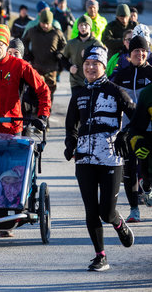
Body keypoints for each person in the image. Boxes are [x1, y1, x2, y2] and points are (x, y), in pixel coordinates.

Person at [64, 45, 136, 271]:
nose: (90, 67)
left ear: (104, 66)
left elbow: (137, 118)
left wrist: (126, 133)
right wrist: (71, 145)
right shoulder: (79, 95)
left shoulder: (116, 91)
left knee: (106, 211)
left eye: (95, 64)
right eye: (87, 64)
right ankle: (100, 255)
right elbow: (71, 125)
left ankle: (118, 222)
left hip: (110, 158)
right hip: (85, 158)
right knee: (90, 210)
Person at [112, 36, 152, 223]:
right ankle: (134, 209)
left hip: (148, 129)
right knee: (129, 169)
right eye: (136, 51)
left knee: (146, 168)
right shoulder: (121, 76)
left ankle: (148, 186)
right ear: (130, 54)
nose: (140, 54)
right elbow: (111, 101)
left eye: (143, 51)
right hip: (127, 130)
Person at [22, 9, 66, 104]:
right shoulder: (32, 31)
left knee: (50, 92)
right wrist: (27, 53)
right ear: (40, 21)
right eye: (43, 23)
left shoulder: (57, 33)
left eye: (48, 23)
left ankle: (46, 113)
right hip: (37, 66)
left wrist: (60, 53)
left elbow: (64, 46)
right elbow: (24, 41)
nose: (45, 26)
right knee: (36, 90)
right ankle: (36, 111)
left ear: (51, 22)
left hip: (51, 68)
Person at [60, 15, 104, 97]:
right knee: (77, 106)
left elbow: (103, 62)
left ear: (90, 27)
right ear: (78, 27)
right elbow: (63, 58)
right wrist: (69, 67)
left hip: (92, 80)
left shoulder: (96, 43)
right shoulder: (71, 43)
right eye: (81, 25)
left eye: (86, 25)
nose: (83, 27)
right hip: (76, 81)